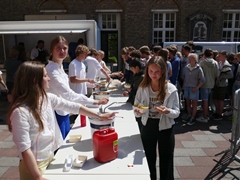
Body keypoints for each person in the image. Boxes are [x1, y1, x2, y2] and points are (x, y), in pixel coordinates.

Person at [7, 61, 116, 180]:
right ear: (34, 80)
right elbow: (24, 148)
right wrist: (37, 176)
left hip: (50, 155)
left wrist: (99, 116)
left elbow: (73, 106)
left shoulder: (47, 98)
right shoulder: (20, 112)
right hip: (34, 165)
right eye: (45, 75)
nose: (49, 78)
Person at [46, 36, 109, 139]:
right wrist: (94, 102)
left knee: (65, 140)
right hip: (55, 113)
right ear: (51, 50)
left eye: (64, 48)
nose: (62, 51)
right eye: (58, 48)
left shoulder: (59, 68)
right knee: (58, 146)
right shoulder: (51, 70)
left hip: (64, 111)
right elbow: (69, 94)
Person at [134, 56, 180, 180]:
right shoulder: (143, 87)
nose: (153, 75)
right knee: (149, 159)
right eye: (151, 71)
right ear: (147, 71)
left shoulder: (171, 89)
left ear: (163, 72)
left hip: (165, 127)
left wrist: (167, 111)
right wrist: (138, 111)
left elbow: (177, 112)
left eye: (157, 72)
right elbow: (136, 107)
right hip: (148, 125)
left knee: (167, 160)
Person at [182, 53, 205, 125]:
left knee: (194, 104)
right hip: (186, 87)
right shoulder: (186, 68)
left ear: (195, 60)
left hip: (194, 88)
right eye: (189, 59)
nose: (189, 60)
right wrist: (183, 86)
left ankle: (192, 117)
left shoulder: (198, 68)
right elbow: (185, 78)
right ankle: (189, 115)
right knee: (188, 103)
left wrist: (197, 88)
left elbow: (202, 80)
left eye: (191, 59)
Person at [196, 49, 219, 123]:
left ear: (204, 55)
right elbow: (217, 74)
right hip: (211, 84)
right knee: (208, 100)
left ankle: (204, 116)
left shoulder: (202, 63)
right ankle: (207, 114)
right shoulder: (215, 63)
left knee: (205, 100)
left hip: (204, 84)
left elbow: (199, 74)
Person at [122, 59, 144, 132]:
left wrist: (130, 91)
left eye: (132, 68)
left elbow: (139, 91)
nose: (131, 70)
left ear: (137, 67)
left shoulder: (142, 77)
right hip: (133, 100)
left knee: (139, 121)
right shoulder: (136, 75)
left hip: (138, 102)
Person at [212, 50, 233, 120]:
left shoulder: (226, 64)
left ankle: (220, 114)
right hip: (218, 84)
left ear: (224, 56)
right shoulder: (220, 63)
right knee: (215, 98)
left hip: (222, 84)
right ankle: (217, 112)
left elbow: (230, 75)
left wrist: (222, 77)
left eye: (220, 56)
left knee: (220, 99)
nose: (219, 57)